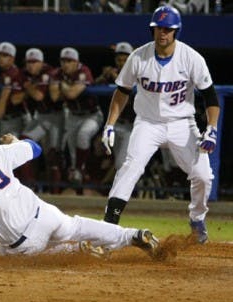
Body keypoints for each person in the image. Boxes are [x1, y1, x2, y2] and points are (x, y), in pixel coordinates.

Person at [0, 126, 161, 260]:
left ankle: (78, 250)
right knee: (76, 224)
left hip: (25, 241)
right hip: (46, 213)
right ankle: (132, 235)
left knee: (1, 249)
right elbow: (35, 148)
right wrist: (14, 143)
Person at [101, 6, 219, 245]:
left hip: (182, 123)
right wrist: (109, 124)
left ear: (176, 31)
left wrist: (212, 128)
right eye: (158, 28)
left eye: (168, 29)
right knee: (131, 167)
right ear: (152, 30)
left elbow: (210, 97)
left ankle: (197, 219)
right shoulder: (138, 56)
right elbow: (122, 92)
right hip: (148, 122)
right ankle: (108, 225)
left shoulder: (191, 57)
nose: (162, 33)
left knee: (203, 175)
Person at [50, 47, 99, 189]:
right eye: (63, 61)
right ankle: (80, 184)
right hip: (72, 115)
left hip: (92, 115)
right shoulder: (57, 73)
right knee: (73, 154)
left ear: (76, 62)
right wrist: (67, 88)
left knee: (83, 135)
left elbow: (71, 94)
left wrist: (63, 86)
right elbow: (54, 97)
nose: (66, 64)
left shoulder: (84, 71)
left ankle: (81, 172)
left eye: (69, 61)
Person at [19, 48, 64, 193]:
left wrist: (27, 87)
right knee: (23, 143)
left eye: (35, 62)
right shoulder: (24, 73)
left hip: (58, 116)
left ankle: (57, 194)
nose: (31, 65)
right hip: (41, 116)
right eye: (29, 62)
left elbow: (38, 96)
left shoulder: (49, 73)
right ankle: (29, 186)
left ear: (41, 63)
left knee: (53, 155)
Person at [96, 42, 136, 171]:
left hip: (132, 126)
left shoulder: (139, 73)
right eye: (119, 59)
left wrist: (115, 77)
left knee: (122, 163)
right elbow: (93, 86)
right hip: (116, 124)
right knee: (117, 161)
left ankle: (131, 190)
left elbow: (127, 91)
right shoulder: (110, 74)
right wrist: (103, 76)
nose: (122, 62)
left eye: (125, 59)